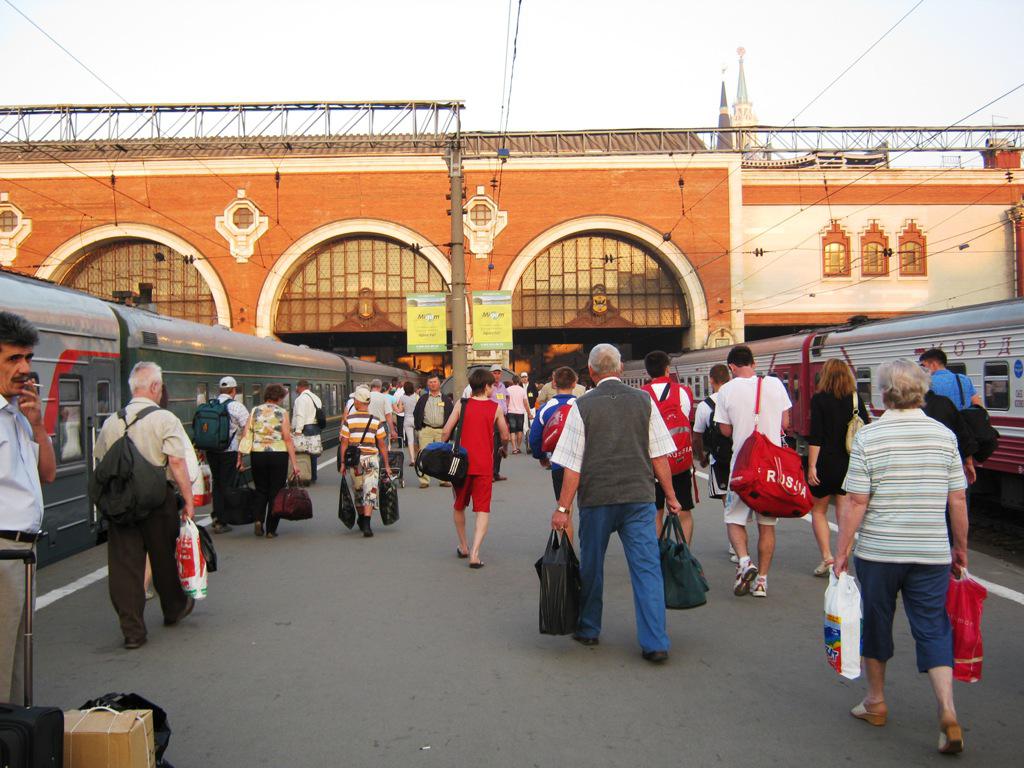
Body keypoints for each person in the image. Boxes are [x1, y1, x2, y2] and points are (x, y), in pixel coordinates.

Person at [834, 360, 969, 755]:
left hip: (880, 552)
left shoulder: (870, 437)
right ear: (922, 392)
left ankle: (875, 701)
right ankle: (947, 709)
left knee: (877, 622)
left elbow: (857, 501)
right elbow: (957, 498)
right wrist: (959, 546)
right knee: (933, 627)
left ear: (883, 394)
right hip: (930, 551)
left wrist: (842, 551)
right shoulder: (944, 435)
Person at [550, 344, 681, 663]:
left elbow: (572, 465)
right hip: (639, 497)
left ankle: (590, 627)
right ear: (620, 369)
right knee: (647, 568)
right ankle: (655, 641)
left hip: (598, 499)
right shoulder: (644, 401)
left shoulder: (582, 406)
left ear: (591, 373)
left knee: (593, 565)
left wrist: (563, 509)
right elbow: (660, 455)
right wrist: (672, 497)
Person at [94, 362, 196, 649]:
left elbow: (100, 463)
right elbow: (176, 462)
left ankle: (132, 631)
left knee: (124, 566)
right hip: (156, 499)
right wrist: (188, 500)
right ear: (154, 387)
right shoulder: (164, 419)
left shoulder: (112, 421)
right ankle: (174, 608)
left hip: (121, 501)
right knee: (163, 556)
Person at [0, 312, 56, 698]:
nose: (24, 369)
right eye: (12, 359)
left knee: (17, 659)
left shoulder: (17, 415)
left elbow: (48, 474)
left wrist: (36, 425)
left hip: (22, 552)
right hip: (2, 552)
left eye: (28, 358)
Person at [714, 345, 792, 599]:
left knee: (734, 519)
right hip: (771, 468)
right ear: (754, 363)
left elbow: (725, 430)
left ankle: (745, 560)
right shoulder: (775, 385)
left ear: (732, 367)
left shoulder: (726, 390)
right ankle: (762, 582)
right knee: (766, 526)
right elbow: (785, 424)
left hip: (743, 467)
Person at [806, 359, 871, 576]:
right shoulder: (855, 398)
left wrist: (812, 466)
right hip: (849, 462)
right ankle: (842, 555)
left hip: (825, 461)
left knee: (818, 510)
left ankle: (827, 556)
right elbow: (866, 428)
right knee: (845, 512)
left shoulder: (819, 399)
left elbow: (816, 435)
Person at [443, 368, 510, 567]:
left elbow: (446, 431)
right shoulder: (495, 408)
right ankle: (475, 553)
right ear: (487, 386)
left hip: (461, 465)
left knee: (459, 505)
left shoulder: (461, 405)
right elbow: (505, 436)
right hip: (484, 465)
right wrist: (502, 448)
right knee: (482, 510)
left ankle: (463, 546)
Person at [641, 350, 695, 542]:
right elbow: (688, 420)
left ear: (647, 372)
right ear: (667, 369)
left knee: (655, 511)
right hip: (678, 460)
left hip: (651, 463)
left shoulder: (641, 395)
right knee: (683, 510)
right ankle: (683, 555)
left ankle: (657, 556)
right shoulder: (682, 391)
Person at [236, 384, 300, 539]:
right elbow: (287, 438)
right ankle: (271, 529)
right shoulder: (282, 412)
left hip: (258, 455)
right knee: (275, 492)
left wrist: (240, 458)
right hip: (278, 454)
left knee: (261, 489)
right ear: (279, 398)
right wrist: (295, 463)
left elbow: (246, 435)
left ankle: (258, 520)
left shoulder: (255, 411)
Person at [529, 366, 579, 540]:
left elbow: (534, 437)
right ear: (575, 383)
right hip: (585, 465)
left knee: (565, 507)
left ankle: (568, 555)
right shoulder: (583, 405)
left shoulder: (546, 408)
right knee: (589, 510)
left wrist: (541, 457)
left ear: (554, 383)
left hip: (559, 463)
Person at [691, 363, 735, 560]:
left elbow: (697, 436)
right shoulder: (738, 398)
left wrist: (701, 457)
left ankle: (736, 545)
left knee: (728, 502)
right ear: (729, 377)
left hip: (721, 460)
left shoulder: (705, 405)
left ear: (711, 380)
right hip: (745, 457)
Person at [339, 386, 391, 538]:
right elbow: (381, 444)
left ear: (357, 401)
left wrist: (342, 462)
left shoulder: (349, 420)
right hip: (371, 459)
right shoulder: (375, 421)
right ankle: (367, 524)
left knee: (358, 490)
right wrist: (386, 464)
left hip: (355, 461)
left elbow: (344, 443)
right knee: (371, 489)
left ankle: (361, 518)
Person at [207, 376, 250, 533]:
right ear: (234, 390)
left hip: (211, 451)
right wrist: (242, 452)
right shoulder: (237, 407)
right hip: (229, 451)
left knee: (217, 482)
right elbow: (247, 428)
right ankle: (223, 519)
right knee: (227, 484)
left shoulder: (211, 403)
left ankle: (217, 516)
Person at [463, 365, 509, 481]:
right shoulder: (484, 387)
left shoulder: (502, 386)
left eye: (499, 373)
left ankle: (496, 472)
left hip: (501, 417)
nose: (497, 375)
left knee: (498, 446)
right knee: (491, 446)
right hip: (490, 418)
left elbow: (506, 398)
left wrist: (506, 408)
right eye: (494, 373)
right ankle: (489, 472)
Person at [413, 373, 454, 489]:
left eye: (435, 382)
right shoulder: (423, 399)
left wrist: (449, 430)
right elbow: (416, 413)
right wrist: (419, 428)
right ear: (427, 384)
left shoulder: (446, 399)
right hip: (426, 429)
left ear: (439, 383)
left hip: (441, 430)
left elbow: (451, 415)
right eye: (430, 382)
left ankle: (443, 479)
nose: (433, 384)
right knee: (423, 455)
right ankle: (424, 480)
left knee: (443, 455)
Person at [292, 379, 324, 484]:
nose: (296, 389)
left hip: (306, 427)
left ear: (300, 387)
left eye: (296, 387)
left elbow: (300, 415)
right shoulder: (316, 398)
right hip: (315, 427)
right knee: (313, 452)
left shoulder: (300, 399)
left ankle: (305, 475)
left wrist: (298, 431)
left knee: (303, 452)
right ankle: (313, 476)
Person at [505, 375, 532, 454]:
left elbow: (506, 402)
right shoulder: (522, 390)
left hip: (510, 412)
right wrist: (529, 413)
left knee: (512, 431)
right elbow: (526, 403)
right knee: (520, 430)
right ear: (519, 381)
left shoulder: (508, 389)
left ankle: (514, 448)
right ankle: (518, 447)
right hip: (520, 412)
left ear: (512, 381)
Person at [396, 381, 420, 467]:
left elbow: (399, 410)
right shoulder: (417, 397)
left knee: (410, 441)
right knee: (418, 440)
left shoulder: (402, 398)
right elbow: (420, 409)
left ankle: (412, 460)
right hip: (416, 420)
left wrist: (393, 406)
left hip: (407, 420)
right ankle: (418, 457)